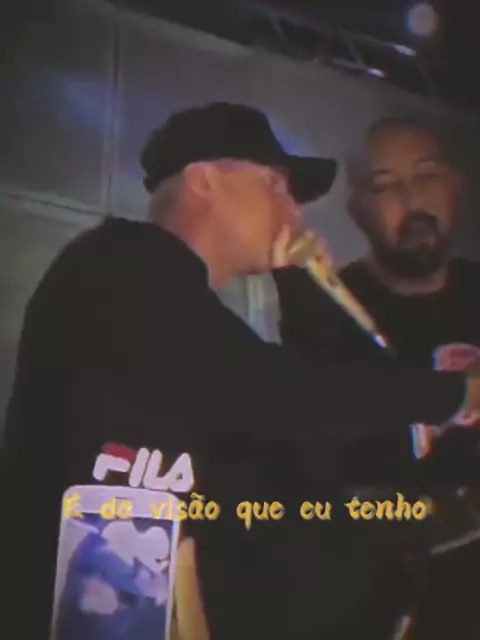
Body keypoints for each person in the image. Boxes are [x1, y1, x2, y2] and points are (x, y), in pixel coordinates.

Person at [5, 104, 480, 640]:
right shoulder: (118, 263)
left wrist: (305, 286)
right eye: (275, 185)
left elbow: (320, 454)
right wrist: (454, 394)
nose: (295, 212)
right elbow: (283, 395)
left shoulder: (184, 333)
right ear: (204, 180)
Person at [273, 116, 480, 638]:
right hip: (368, 601)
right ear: (357, 209)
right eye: (385, 186)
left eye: (428, 175)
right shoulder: (328, 315)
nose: (413, 199)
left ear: (457, 185)